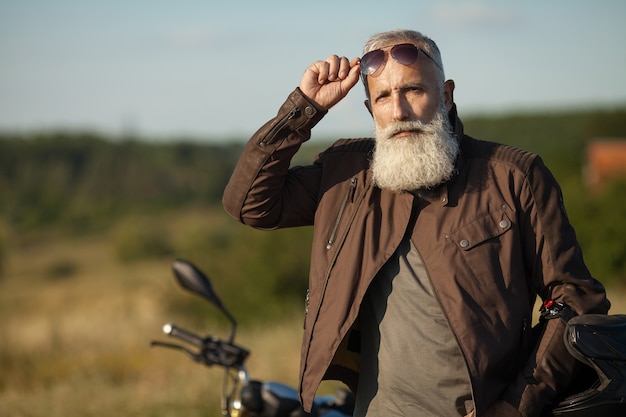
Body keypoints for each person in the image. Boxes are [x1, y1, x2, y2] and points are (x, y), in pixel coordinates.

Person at [222, 29, 610, 417]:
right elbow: (249, 204)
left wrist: (517, 405)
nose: (399, 111)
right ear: (370, 108)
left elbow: (576, 298)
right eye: (384, 97)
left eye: (413, 91)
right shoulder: (346, 174)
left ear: (445, 94)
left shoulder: (513, 177)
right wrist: (305, 106)